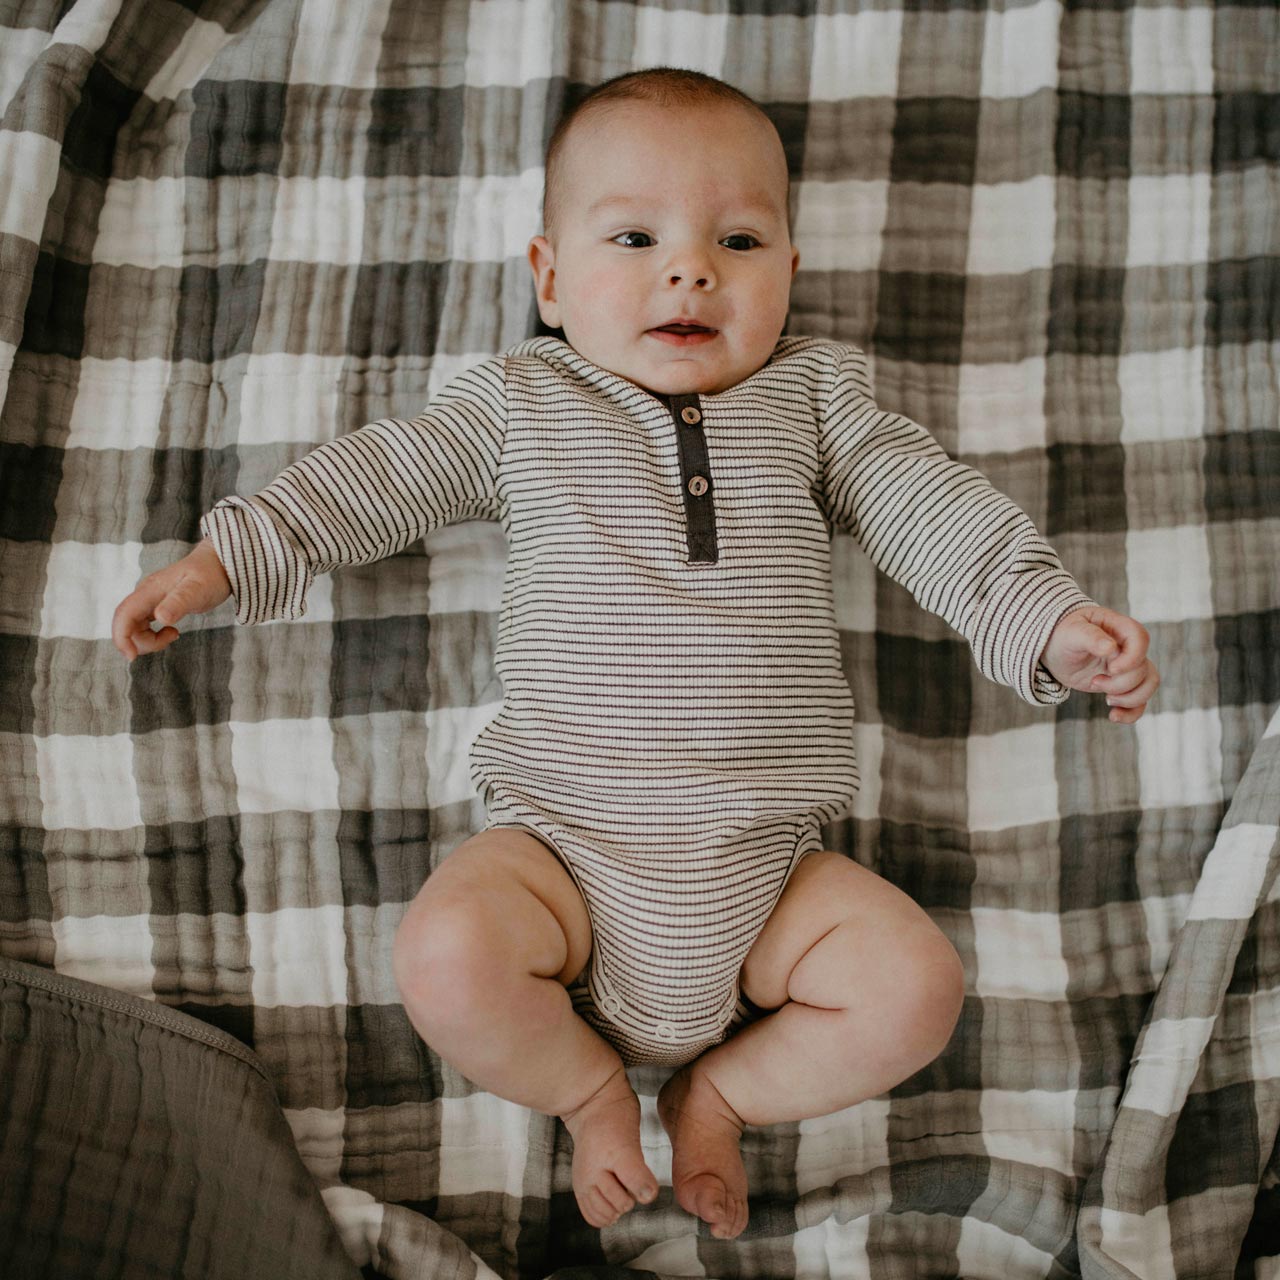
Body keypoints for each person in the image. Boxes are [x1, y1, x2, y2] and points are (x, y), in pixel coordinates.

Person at [112, 68, 1160, 1242]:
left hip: (771, 875)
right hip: (561, 850)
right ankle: (588, 1092)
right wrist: (224, 558)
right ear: (550, 278)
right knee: (447, 952)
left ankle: (721, 1092)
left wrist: (1051, 621)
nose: (689, 268)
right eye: (634, 235)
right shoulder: (518, 402)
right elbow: (376, 478)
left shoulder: (817, 402)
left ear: (789, 275)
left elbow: (939, 516)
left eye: (738, 238)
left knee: (915, 986)